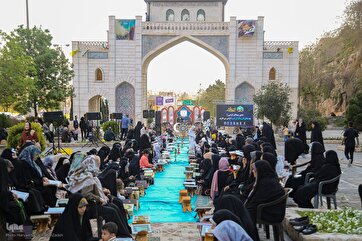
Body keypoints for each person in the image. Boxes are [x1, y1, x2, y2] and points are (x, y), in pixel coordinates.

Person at [245, 160, 285, 224]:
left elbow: (257, 200)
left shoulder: (267, 183)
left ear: (260, 170)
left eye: (254, 170)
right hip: (269, 208)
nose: (253, 172)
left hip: (272, 213)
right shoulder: (266, 179)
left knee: (246, 212)